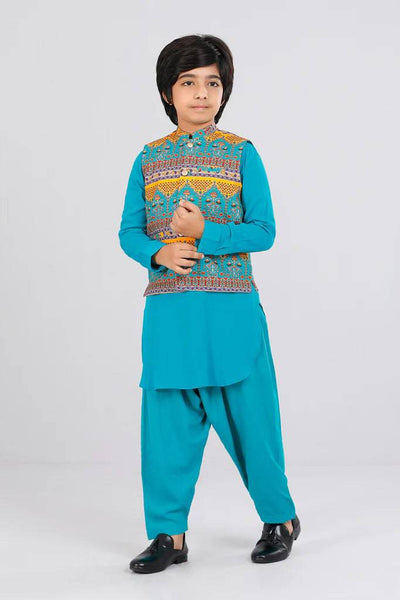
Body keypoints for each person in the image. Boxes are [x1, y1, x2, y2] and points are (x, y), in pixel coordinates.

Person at [118, 34, 301, 575]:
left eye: (212, 83)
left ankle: (280, 519)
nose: (201, 93)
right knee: (166, 426)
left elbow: (264, 230)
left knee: (252, 422)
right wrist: (157, 252)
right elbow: (129, 231)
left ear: (224, 91)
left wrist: (207, 234)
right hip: (169, 313)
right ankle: (168, 535)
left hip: (231, 312)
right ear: (168, 92)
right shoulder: (148, 159)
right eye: (188, 82)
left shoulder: (242, 153)